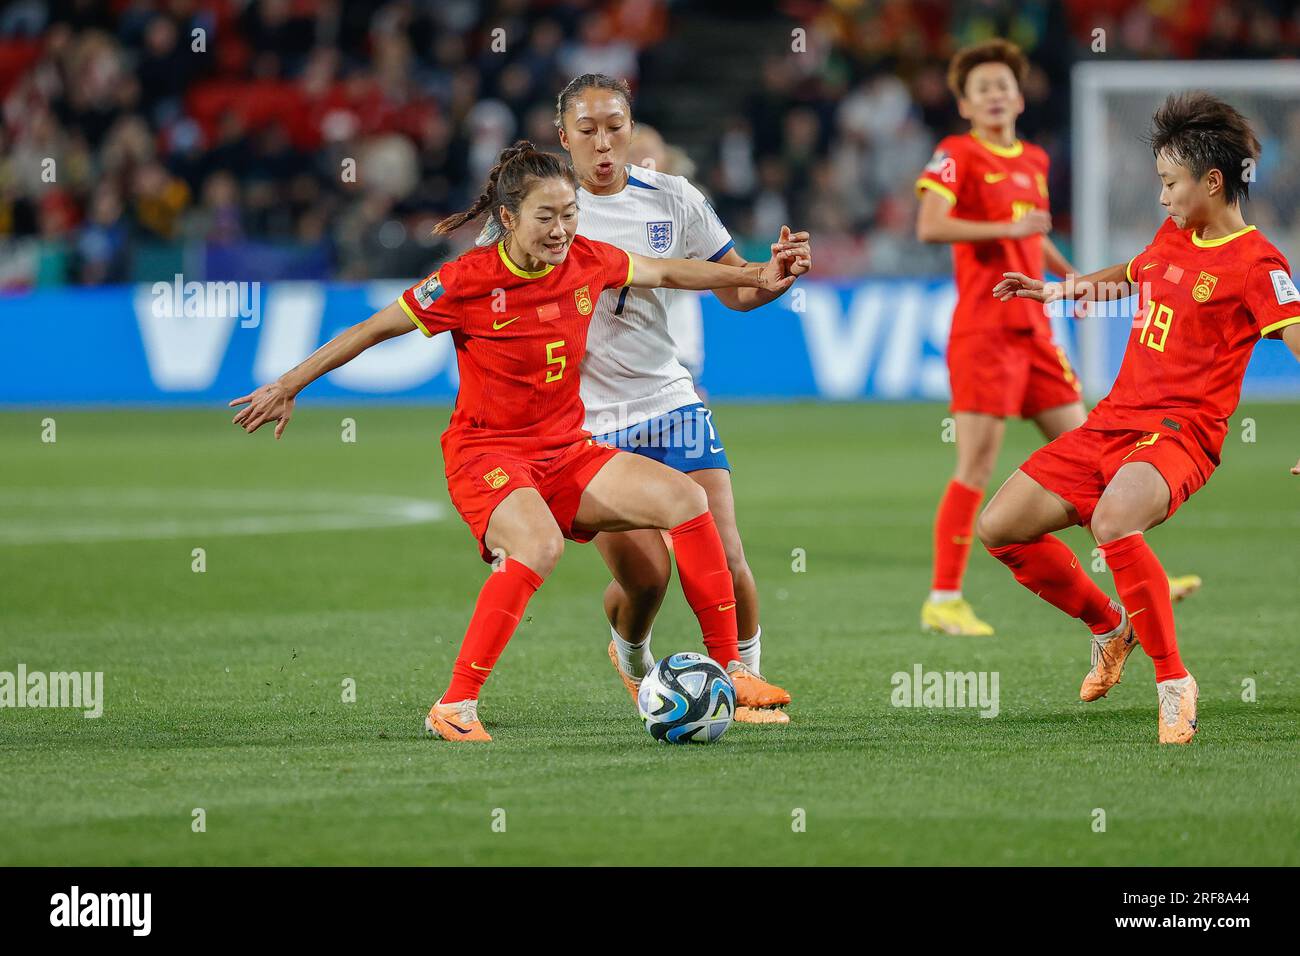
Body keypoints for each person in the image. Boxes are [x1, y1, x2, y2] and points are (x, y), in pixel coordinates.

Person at [229, 141, 805, 742]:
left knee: (687, 501)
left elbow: (670, 270)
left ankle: (733, 669)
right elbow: (373, 328)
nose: (562, 231)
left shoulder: (588, 259)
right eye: (546, 217)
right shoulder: (467, 281)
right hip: (488, 456)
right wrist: (290, 383)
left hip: (568, 451)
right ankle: (454, 705)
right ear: (508, 219)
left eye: (570, 213)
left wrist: (756, 273)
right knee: (538, 546)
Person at [979, 92, 1300, 743]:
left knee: (1114, 520)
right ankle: (1109, 626)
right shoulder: (1175, 234)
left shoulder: (1257, 263)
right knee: (1000, 527)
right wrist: (1059, 288)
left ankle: (1175, 683)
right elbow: (1135, 273)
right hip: (1112, 422)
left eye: (1170, 184)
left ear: (1213, 182)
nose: (1162, 198)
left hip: (1181, 436)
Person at [915, 39, 1200, 636]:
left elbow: (1032, 239)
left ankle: (1132, 564)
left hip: (1035, 333)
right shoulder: (956, 153)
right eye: (981, 89)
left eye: (1003, 85)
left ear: (1019, 96)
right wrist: (1007, 225)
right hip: (985, 330)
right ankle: (943, 597)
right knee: (976, 464)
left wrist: (1070, 280)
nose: (995, 95)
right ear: (964, 105)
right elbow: (930, 225)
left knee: (1096, 448)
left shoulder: (1035, 161)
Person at [554, 73, 811, 723]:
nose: (604, 143)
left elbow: (737, 289)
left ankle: (741, 678)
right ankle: (629, 649)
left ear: (632, 129)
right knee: (647, 579)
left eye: (616, 127)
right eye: (587, 131)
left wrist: (772, 278)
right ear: (564, 138)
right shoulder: (547, 213)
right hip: (589, 425)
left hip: (671, 403)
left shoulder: (673, 198)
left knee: (726, 550)